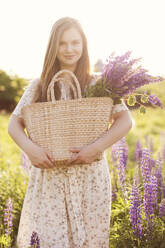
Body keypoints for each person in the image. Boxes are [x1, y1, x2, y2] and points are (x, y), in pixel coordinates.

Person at [8, 17, 133, 248]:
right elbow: (13, 124)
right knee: (49, 240)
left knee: (91, 241)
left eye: (75, 42)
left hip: (90, 177)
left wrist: (95, 148)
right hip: (50, 177)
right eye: (62, 43)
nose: (69, 49)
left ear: (84, 45)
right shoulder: (40, 84)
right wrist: (31, 150)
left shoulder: (99, 84)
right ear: (53, 47)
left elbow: (125, 120)